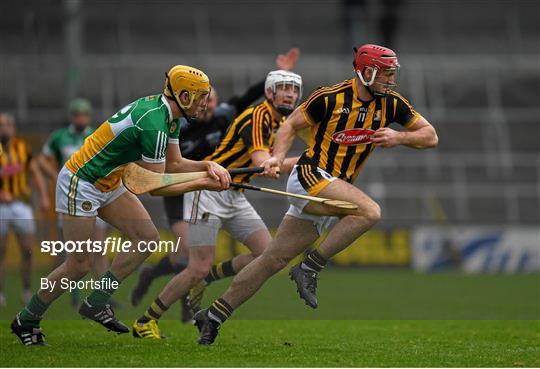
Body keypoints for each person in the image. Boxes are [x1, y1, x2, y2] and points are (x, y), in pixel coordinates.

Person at [194, 44, 439, 345]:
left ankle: (213, 315)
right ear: (367, 72)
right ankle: (310, 267)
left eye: (392, 73)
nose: (391, 80)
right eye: (387, 74)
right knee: (369, 211)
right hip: (310, 177)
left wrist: (399, 136)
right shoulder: (329, 98)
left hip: (333, 187)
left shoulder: (392, 104)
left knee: (272, 259)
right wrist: (276, 157)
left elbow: (430, 135)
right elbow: (290, 126)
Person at [10, 65, 231, 346]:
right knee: (79, 265)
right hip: (83, 181)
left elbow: (174, 163)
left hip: (110, 181)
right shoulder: (154, 123)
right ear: (184, 96)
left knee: (147, 239)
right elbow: (156, 186)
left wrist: (207, 165)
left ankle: (96, 301)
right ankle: (26, 319)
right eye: (200, 96)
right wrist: (204, 182)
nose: (204, 103)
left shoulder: (170, 116)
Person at [130, 49, 301, 323]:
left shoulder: (279, 121)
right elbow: (264, 163)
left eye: (294, 89)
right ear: (270, 93)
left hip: (235, 194)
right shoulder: (256, 116)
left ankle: (207, 279)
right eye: (284, 89)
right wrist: (304, 160)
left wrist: (303, 160)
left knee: (267, 255)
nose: (290, 94)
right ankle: (147, 320)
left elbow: (269, 164)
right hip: (209, 192)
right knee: (195, 266)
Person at [39, 98, 112, 307]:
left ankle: (103, 294)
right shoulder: (60, 137)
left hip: (94, 197)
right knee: (71, 250)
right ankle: (68, 293)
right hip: (70, 197)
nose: (81, 118)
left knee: (98, 247)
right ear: (72, 116)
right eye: (77, 115)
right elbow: (42, 160)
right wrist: (56, 175)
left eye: (84, 114)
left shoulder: (96, 135)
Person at [0, 113, 49, 307]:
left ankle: (27, 290)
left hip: (21, 205)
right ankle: (1, 294)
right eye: (1, 125)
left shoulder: (22, 149)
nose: (4, 128)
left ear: (12, 128)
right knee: (1, 251)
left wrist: (44, 196)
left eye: (6, 125)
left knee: (28, 250)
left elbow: (35, 173)